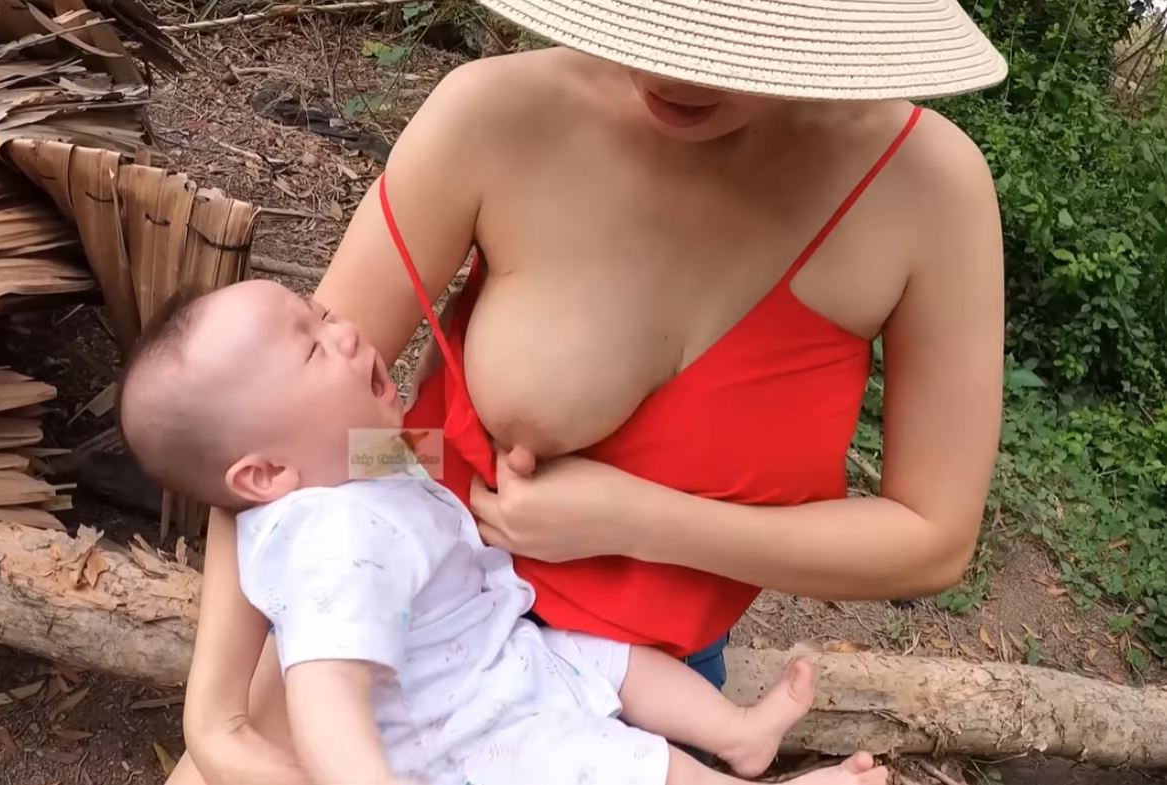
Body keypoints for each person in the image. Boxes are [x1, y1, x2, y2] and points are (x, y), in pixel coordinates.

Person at [169, 0, 1009, 782]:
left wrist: (631, 518)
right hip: (389, 642)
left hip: (634, 694)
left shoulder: (925, 189)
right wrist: (216, 715)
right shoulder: (498, 114)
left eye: (727, 38)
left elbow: (931, 540)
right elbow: (276, 432)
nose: (670, 70)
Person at [117, 278, 890, 785]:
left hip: (501, 649)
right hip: (470, 730)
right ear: (264, 474)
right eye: (313, 348)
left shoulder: (346, 459)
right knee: (629, 766)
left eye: (321, 314)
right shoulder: (331, 539)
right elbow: (324, 696)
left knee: (622, 662)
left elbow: (438, 457)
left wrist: (492, 440)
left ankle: (739, 731)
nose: (345, 332)